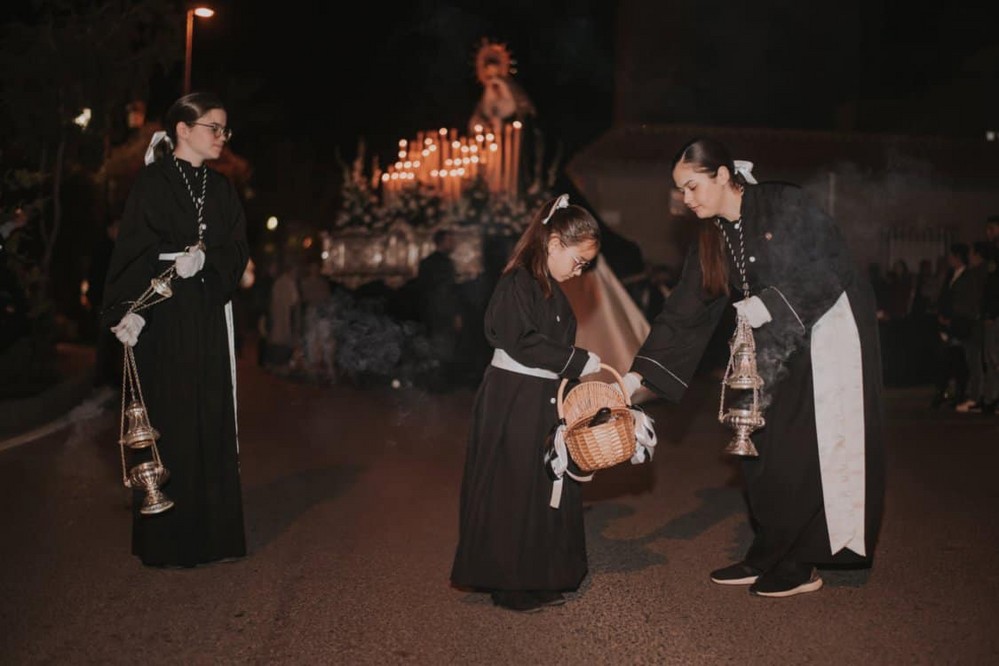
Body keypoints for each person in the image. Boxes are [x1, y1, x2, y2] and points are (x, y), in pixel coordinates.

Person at [617, 137, 885, 598]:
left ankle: (800, 564)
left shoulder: (783, 202)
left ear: (723, 176)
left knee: (797, 449)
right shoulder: (712, 235)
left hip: (822, 334)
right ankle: (769, 551)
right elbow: (685, 309)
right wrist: (637, 377)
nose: (686, 199)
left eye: (693, 187)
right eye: (681, 190)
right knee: (756, 443)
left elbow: (833, 264)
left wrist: (771, 305)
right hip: (767, 343)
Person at [100, 92, 249, 568]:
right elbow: (132, 250)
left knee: (210, 412)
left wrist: (208, 260)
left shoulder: (222, 188)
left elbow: (237, 246)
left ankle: (215, 536)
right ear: (183, 130)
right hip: (163, 314)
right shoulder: (153, 182)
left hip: (205, 310)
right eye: (214, 127)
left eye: (225, 129)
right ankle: (168, 540)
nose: (222, 137)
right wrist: (132, 310)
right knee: (173, 415)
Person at [450, 193, 603, 613]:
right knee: (512, 488)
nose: (580, 269)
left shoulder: (551, 288)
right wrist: (578, 360)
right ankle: (509, 583)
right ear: (554, 243)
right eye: (578, 260)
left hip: (541, 397)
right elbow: (519, 340)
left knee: (541, 485)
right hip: (513, 396)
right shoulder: (518, 281)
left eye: (586, 265)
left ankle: (538, 574)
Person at [417, 229, 462, 389]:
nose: (453, 244)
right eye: (450, 241)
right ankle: (438, 383)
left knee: (439, 348)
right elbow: (449, 291)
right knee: (442, 348)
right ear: (441, 242)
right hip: (442, 313)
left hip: (434, 313)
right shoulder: (443, 264)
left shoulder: (427, 263)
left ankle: (436, 382)